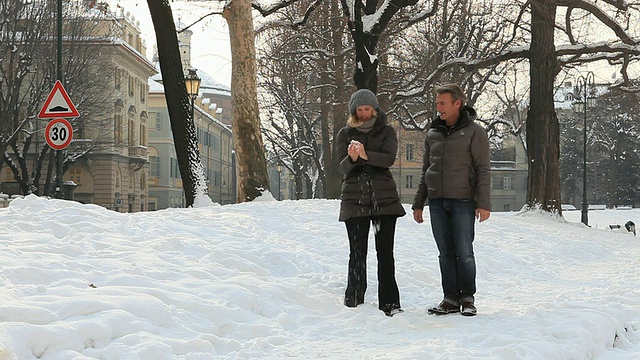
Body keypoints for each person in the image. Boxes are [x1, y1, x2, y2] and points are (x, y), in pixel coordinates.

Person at [412, 83, 491, 317]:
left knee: (464, 252)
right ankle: (449, 298)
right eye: (437, 103)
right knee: (445, 252)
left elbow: (483, 169)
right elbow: (427, 169)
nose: (438, 108)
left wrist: (483, 202)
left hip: (463, 201)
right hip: (437, 201)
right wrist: (419, 202)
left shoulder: (475, 132)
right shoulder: (433, 132)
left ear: (458, 103)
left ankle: (467, 298)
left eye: (442, 103)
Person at [335, 88, 406, 317]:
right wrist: (352, 159)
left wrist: (366, 155)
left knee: (385, 253)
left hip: (384, 200)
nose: (364, 113)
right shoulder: (345, 134)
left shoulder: (386, 131)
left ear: (374, 109)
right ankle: (354, 298)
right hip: (354, 200)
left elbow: (388, 159)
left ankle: (390, 302)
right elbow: (341, 167)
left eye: (367, 109)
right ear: (353, 111)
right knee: (357, 252)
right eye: (359, 109)